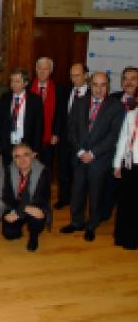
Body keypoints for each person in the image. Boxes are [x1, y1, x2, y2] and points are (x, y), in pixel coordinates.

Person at [60, 72, 123, 242]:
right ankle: (76, 222)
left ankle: (91, 225)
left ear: (108, 86)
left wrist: (93, 153)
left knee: (96, 195)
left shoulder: (115, 106)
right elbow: (71, 129)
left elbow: (113, 136)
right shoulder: (79, 102)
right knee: (77, 192)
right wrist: (80, 152)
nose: (99, 89)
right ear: (90, 84)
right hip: (80, 157)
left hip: (99, 160)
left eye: (103, 85)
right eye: (96, 84)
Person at [102, 66, 138, 220]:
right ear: (121, 83)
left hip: (133, 157)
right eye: (125, 78)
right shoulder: (111, 99)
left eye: (133, 78)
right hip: (110, 152)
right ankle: (105, 214)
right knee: (108, 187)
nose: (129, 82)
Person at [2, 143, 51, 252]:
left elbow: (42, 199)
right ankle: (20, 225)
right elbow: (7, 197)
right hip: (16, 207)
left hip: (35, 206)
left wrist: (27, 209)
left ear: (33, 156)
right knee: (9, 234)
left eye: (26, 155)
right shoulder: (8, 171)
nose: (22, 159)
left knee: (37, 217)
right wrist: (23, 209)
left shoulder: (44, 172)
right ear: (13, 159)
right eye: (17, 156)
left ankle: (33, 237)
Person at [54, 63, 89, 210]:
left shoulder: (92, 93)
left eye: (77, 75)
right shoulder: (64, 91)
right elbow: (59, 115)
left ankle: (77, 200)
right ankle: (64, 198)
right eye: (71, 76)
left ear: (85, 75)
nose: (73, 79)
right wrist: (56, 133)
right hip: (63, 139)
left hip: (82, 141)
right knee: (63, 171)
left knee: (79, 174)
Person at [0, 68, 44, 166]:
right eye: (12, 81)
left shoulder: (35, 100)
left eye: (17, 81)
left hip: (26, 144)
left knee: (24, 173)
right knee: (8, 172)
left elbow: (39, 126)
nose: (13, 84)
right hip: (7, 144)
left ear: (25, 83)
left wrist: (35, 149)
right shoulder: (5, 98)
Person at [29, 57, 65, 169]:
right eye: (39, 68)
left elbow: (60, 114)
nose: (42, 72)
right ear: (36, 69)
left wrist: (56, 133)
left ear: (51, 71)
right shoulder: (28, 87)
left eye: (46, 69)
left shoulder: (59, 90)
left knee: (46, 169)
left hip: (49, 138)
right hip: (30, 136)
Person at [113, 103, 138, 250]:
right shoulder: (130, 115)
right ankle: (123, 237)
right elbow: (122, 140)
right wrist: (117, 164)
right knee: (126, 202)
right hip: (129, 165)